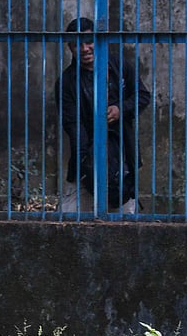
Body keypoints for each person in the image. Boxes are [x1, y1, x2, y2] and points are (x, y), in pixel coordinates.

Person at [57, 17, 150, 214]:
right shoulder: (66, 82)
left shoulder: (119, 65)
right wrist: (87, 167)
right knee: (69, 218)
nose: (84, 49)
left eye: (89, 42)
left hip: (122, 154)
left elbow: (142, 95)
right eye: (77, 45)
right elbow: (73, 126)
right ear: (69, 48)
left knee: (123, 222)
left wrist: (120, 109)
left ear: (98, 41)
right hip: (84, 159)